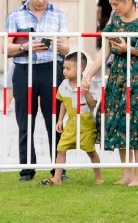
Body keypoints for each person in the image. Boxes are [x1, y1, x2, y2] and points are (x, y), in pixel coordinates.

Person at [87, 0, 138, 187]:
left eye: (116, 4)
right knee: (118, 123)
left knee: (136, 123)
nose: (114, 8)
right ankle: (126, 173)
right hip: (116, 78)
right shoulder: (113, 22)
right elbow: (105, 51)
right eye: (111, 4)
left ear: (129, 0)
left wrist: (130, 49)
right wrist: (89, 75)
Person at [4, 0, 69, 182]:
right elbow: (5, 48)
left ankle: (58, 171)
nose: (40, 1)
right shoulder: (15, 15)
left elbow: (67, 47)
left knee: (55, 121)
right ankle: (26, 170)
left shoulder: (58, 15)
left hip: (51, 68)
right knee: (25, 121)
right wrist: (25, 46)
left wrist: (57, 43)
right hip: (24, 69)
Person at [43, 52, 104, 186]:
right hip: (71, 124)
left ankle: (98, 176)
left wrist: (86, 92)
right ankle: (56, 178)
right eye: (63, 68)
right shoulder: (64, 85)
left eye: (68, 69)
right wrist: (60, 120)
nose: (64, 71)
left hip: (85, 125)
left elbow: (93, 104)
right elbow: (64, 102)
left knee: (91, 151)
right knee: (61, 149)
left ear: (81, 69)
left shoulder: (86, 84)